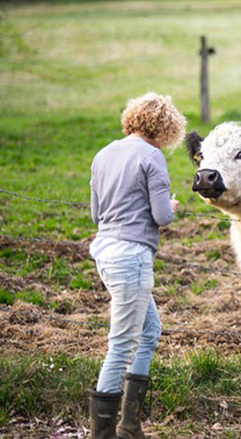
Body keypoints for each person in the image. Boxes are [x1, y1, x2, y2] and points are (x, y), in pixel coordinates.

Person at [88, 92, 185, 439]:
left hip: (105, 252)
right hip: (132, 257)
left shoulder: (103, 154)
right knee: (122, 342)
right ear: (166, 127)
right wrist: (172, 207)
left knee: (149, 331)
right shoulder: (152, 157)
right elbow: (161, 216)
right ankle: (102, 433)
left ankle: (130, 424)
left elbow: (96, 214)